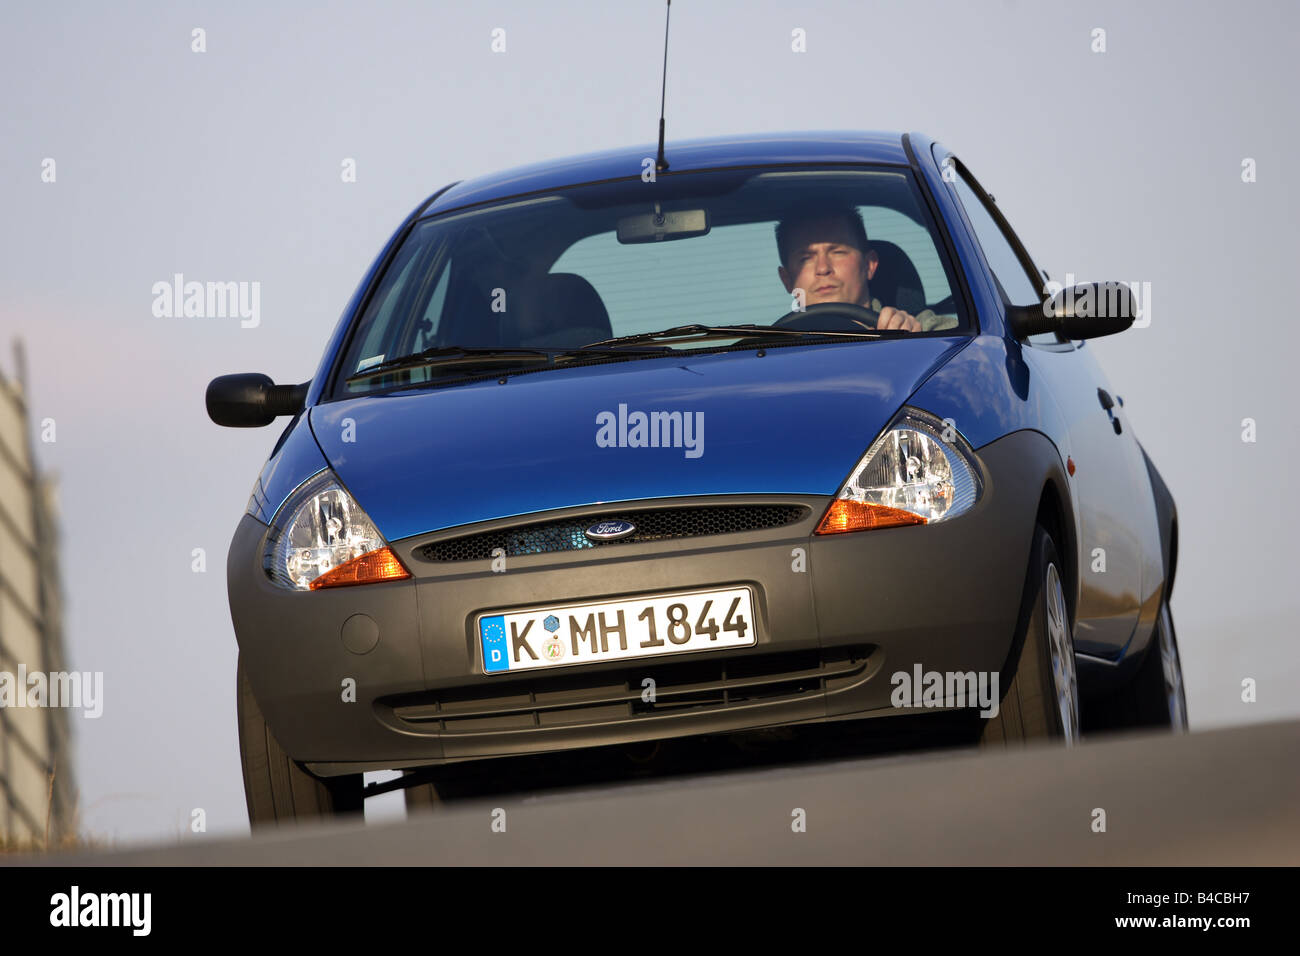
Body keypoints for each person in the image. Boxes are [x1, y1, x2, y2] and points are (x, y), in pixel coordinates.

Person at [774, 204, 957, 332]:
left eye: (837, 252)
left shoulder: (924, 331)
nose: (823, 268)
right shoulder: (762, 353)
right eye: (806, 258)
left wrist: (915, 346)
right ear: (787, 279)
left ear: (869, 264)